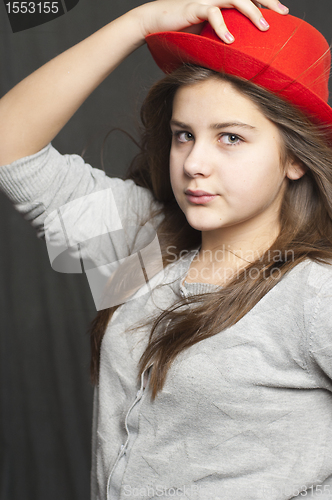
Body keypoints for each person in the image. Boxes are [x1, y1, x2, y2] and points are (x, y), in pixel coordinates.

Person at [0, 0, 332, 499]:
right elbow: (10, 148)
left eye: (231, 138)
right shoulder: (146, 244)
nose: (195, 162)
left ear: (295, 159)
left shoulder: (314, 292)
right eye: (184, 135)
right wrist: (139, 23)